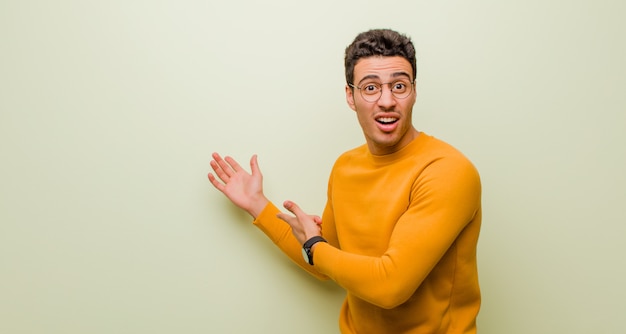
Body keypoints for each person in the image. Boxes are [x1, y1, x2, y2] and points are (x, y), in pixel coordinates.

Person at [208, 28, 482, 334]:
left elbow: (390, 286)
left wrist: (316, 247)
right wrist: (258, 205)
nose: (387, 100)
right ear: (350, 96)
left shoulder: (448, 171)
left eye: (399, 86)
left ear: (414, 91)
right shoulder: (345, 167)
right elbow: (325, 260)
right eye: (370, 88)